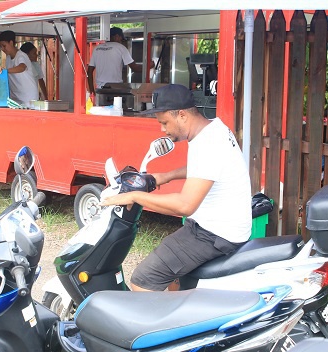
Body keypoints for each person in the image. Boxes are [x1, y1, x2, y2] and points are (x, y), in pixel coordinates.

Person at [101, 84, 252, 292]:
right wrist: (166, 176)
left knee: (142, 280)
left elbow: (185, 205)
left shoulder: (209, 143)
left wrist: (135, 196)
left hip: (214, 235)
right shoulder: (214, 129)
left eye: (165, 123)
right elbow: (206, 168)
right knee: (170, 268)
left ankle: (164, 324)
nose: (163, 130)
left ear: (181, 115)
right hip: (217, 228)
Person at [87, 27, 141, 95]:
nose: (121, 41)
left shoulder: (97, 49)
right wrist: (150, 66)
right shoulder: (120, 48)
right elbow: (135, 68)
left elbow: (89, 72)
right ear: (117, 36)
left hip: (100, 90)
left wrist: (92, 92)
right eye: (121, 39)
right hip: (115, 89)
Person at [0, 31, 37, 107]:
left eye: (4, 46)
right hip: (15, 98)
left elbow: (22, 67)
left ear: (11, 43)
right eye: (1, 46)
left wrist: (6, 71)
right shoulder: (8, 58)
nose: (2, 49)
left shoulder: (21, 56)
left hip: (28, 98)